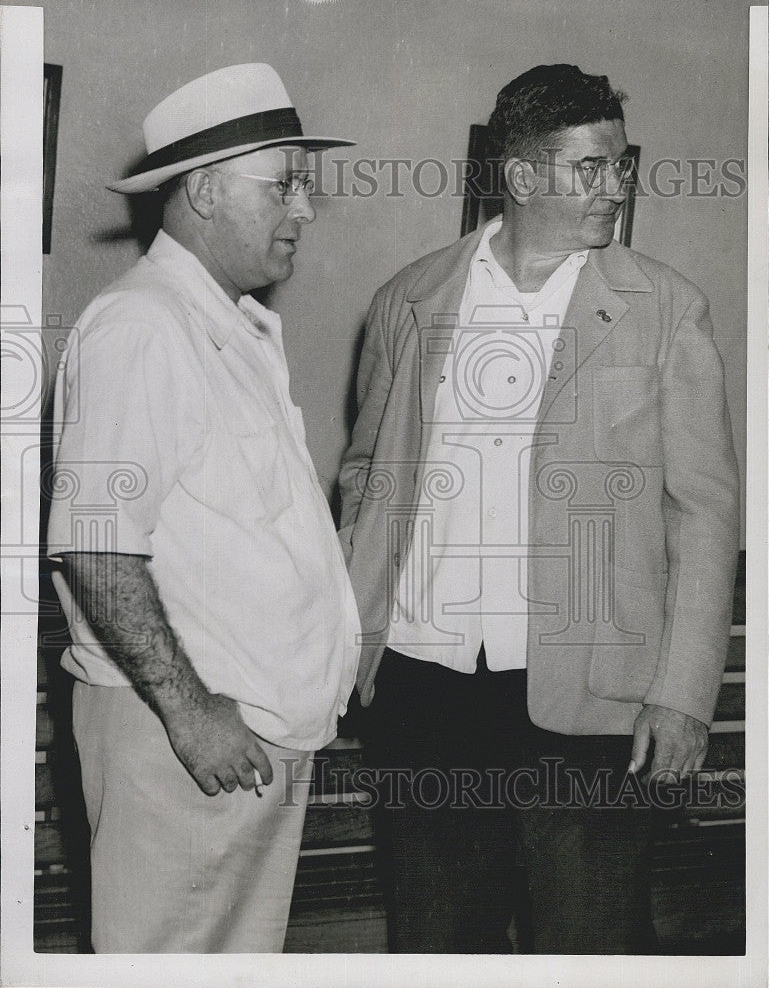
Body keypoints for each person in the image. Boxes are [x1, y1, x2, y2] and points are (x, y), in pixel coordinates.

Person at [338, 64, 739, 954]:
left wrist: (680, 697)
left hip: (589, 708)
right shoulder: (409, 299)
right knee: (438, 948)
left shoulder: (664, 310)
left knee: (590, 946)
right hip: (421, 696)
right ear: (522, 178)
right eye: (590, 168)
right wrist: (347, 637)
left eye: (619, 165)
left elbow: (703, 513)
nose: (616, 188)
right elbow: (367, 474)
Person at [46, 63, 360, 953]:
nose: (304, 209)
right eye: (285, 186)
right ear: (205, 192)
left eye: (307, 186)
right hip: (184, 737)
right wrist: (189, 710)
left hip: (244, 734)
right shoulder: (141, 326)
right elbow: (95, 545)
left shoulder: (236, 325)